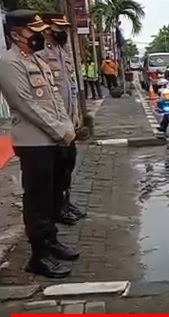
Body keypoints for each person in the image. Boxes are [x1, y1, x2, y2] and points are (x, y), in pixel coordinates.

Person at [0, 9, 80, 278]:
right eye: (31, 31)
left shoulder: (36, 60)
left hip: (53, 139)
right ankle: (38, 256)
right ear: (15, 34)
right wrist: (60, 131)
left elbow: (55, 98)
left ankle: (51, 242)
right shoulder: (10, 63)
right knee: (37, 200)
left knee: (52, 196)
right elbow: (26, 105)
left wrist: (67, 126)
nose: (38, 35)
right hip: (34, 143)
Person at [38, 11, 87, 224]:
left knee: (68, 164)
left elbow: (71, 85)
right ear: (48, 28)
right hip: (55, 124)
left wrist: (76, 112)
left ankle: (65, 202)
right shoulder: (40, 52)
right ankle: (57, 208)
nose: (63, 32)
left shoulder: (62, 51)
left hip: (69, 120)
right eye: (59, 28)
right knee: (57, 169)